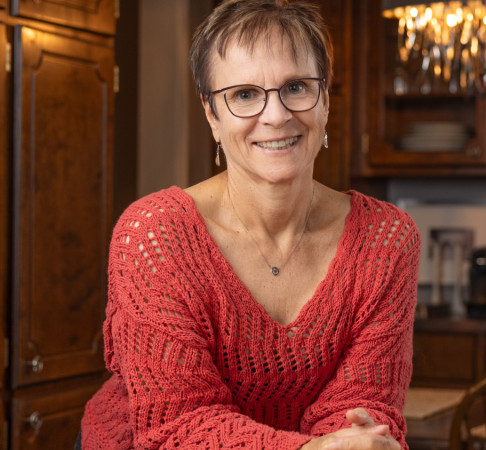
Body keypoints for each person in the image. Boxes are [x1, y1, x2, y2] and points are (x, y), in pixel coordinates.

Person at [79, 0, 421, 448]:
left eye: (296, 86)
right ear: (211, 115)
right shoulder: (153, 235)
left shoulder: (387, 239)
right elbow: (178, 424)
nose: (276, 116)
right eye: (243, 95)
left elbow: (361, 405)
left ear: (325, 100)